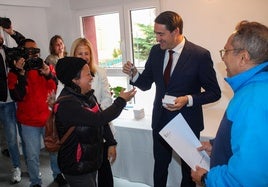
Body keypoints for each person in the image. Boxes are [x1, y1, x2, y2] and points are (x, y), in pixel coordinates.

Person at [123, 11, 221, 187]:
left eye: (161, 34)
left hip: (187, 124)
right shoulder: (156, 52)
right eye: (156, 34)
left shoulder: (200, 55)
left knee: (188, 172)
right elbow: (145, 84)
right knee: (160, 167)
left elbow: (215, 92)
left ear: (175, 31)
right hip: (160, 121)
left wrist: (188, 99)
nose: (157, 39)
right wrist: (134, 74)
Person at [191, 21, 268, 187]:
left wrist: (207, 178)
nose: (223, 57)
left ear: (243, 57)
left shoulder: (253, 99)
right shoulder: (256, 89)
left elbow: (248, 177)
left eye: (226, 51)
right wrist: (217, 146)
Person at [54, 56, 136, 187]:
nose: (91, 77)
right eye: (87, 74)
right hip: (76, 166)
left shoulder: (87, 96)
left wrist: (110, 142)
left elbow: (103, 119)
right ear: (75, 80)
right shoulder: (68, 104)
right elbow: (98, 119)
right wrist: (121, 101)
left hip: (89, 162)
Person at [7, 38, 66, 187]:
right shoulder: (15, 73)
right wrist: (21, 73)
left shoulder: (44, 67)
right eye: (29, 51)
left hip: (47, 118)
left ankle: (58, 174)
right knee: (32, 155)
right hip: (28, 122)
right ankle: (35, 182)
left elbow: (54, 86)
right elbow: (17, 96)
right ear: (23, 53)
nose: (33, 54)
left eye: (36, 50)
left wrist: (48, 74)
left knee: (54, 151)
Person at [70, 37, 116, 187]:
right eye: (80, 53)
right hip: (79, 132)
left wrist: (95, 115)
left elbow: (107, 98)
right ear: (73, 54)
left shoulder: (100, 72)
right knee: (86, 174)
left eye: (87, 53)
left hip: (100, 128)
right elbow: (61, 100)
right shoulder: (68, 75)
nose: (84, 57)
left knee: (104, 170)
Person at [0, 21, 26, 184]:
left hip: (19, 100)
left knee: (25, 135)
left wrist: (12, 32)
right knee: (11, 139)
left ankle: (30, 165)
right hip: (4, 104)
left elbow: (24, 46)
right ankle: (16, 167)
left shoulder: (8, 52)